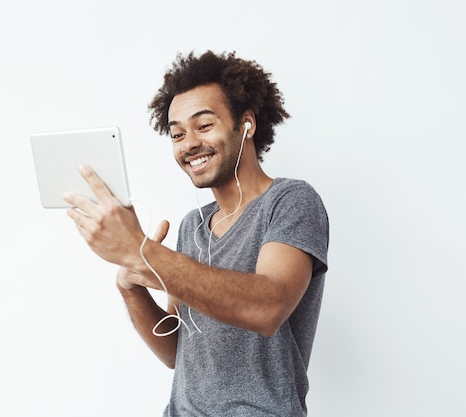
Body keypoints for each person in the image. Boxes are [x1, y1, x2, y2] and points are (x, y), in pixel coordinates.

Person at [63, 50, 329, 417]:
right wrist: (132, 286)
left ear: (247, 123)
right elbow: (177, 351)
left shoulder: (290, 201)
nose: (188, 144)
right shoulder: (192, 226)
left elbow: (268, 306)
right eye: (177, 134)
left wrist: (143, 253)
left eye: (204, 126)